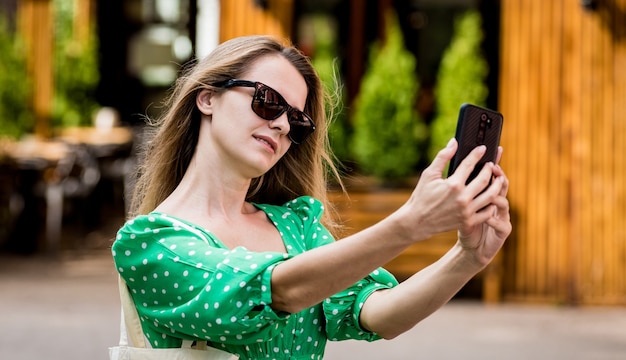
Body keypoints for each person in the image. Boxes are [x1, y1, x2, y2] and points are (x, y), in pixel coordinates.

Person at [111, 34, 511, 359]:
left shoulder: (294, 225)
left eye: (298, 119)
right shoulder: (149, 244)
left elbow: (378, 314)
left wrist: (467, 258)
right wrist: (410, 224)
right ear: (207, 97)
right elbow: (275, 290)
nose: (283, 124)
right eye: (267, 101)